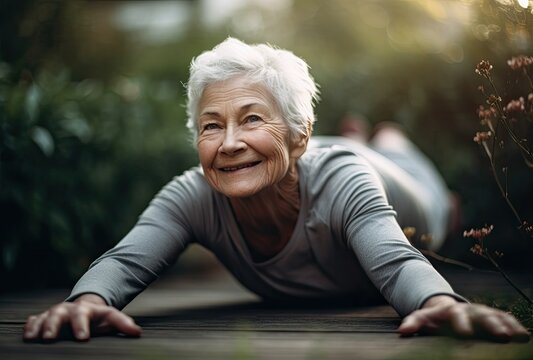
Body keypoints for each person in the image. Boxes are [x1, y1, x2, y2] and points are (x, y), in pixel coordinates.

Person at [23, 38, 529, 343]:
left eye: (250, 119)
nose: (229, 143)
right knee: (300, 153)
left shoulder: (344, 182)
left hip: (398, 185)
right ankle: (347, 135)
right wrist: (86, 300)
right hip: (307, 153)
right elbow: (128, 259)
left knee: (398, 155)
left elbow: (396, 262)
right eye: (210, 126)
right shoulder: (194, 194)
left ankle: (383, 139)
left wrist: (439, 303)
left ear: (299, 135)